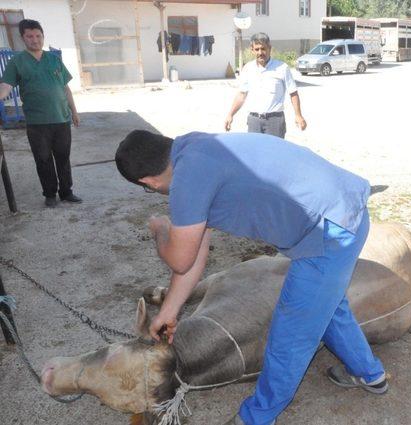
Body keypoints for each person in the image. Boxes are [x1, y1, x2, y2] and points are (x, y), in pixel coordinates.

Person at [115, 130, 386, 425]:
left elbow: (179, 258)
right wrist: (168, 312)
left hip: (331, 230)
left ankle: (257, 417)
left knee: (291, 331)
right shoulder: (194, 148)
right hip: (342, 208)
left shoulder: (186, 182)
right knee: (326, 305)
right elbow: (193, 257)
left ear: (148, 182)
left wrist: (160, 229)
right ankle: (368, 373)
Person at [0, 19, 82, 208]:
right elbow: (5, 87)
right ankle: (50, 194)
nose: (35, 40)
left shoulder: (54, 59)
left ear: (43, 36)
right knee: (43, 159)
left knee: (63, 158)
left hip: (61, 119)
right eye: (30, 36)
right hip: (37, 124)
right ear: (23, 38)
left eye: (38, 36)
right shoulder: (17, 62)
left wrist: (74, 112)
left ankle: (66, 192)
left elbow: (66, 88)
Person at [224, 32, 306, 138]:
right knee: (255, 153)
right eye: (257, 49)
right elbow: (241, 95)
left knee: (274, 153)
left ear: (269, 48)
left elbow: (293, 93)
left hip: (275, 121)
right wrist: (230, 114)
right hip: (254, 121)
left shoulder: (282, 68)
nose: (260, 52)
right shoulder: (248, 68)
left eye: (263, 48)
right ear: (252, 50)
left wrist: (298, 115)